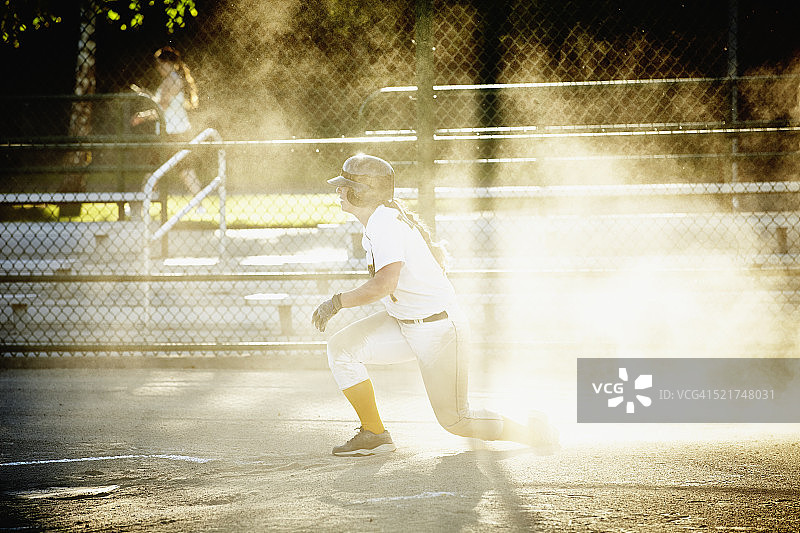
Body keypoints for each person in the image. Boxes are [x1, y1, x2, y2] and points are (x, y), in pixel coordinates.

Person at [312, 154, 559, 457]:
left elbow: (384, 284)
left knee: (455, 420)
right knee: (342, 349)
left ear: (363, 192)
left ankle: (532, 433)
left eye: (345, 186)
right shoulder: (380, 220)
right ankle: (374, 433)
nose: (339, 191)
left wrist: (336, 303)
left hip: (439, 331)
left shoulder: (385, 223)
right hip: (405, 322)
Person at [131, 46, 204, 209]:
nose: (158, 68)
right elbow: (164, 105)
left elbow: (161, 108)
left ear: (167, 63)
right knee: (182, 171)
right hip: (175, 132)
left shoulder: (171, 80)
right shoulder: (172, 80)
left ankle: (143, 205)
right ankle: (199, 206)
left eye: (159, 64)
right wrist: (151, 99)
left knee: (160, 170)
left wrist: (142, 116)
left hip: (172, 134)